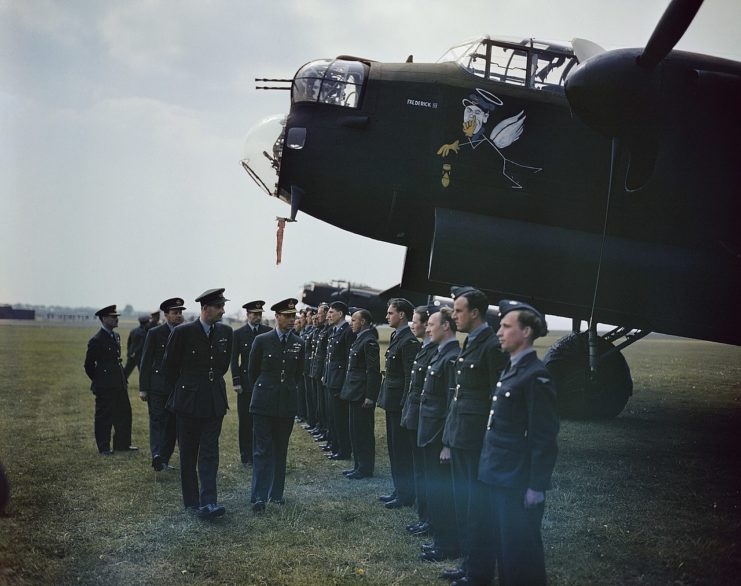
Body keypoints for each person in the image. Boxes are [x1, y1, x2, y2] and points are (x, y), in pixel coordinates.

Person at [477, 300, 559, 586]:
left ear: (525, 332)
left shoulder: (536, 375)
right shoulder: (512, 369)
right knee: (505, 549)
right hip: (499, 473)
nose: (499, 332)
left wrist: (537, 485)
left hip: (516, 478)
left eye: (506, 326)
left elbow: (544, 437)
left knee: (521, 554)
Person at [442, 287, 508, 584]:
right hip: (460, 435)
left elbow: (498, 398)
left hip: (475, 440)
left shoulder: (491, 346)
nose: (454, 315)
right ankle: (469, 565)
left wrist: (490, 443)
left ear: (475, 313)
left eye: (458, 310)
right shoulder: (472, 341)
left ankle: (479, 573)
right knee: (465, 504)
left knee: (478, 508)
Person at [163, 288, 233, 520]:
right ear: (205, 308)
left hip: (214, 401)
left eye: (223, 306)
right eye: (219, 307)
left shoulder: (225, 331)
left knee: (210, 453)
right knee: (189, 453)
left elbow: (223, 366)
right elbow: (169, 367)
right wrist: (188, 387)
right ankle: (191, 502)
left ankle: (209, 502)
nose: (223, 310)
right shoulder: (184, 332)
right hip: (188, 403)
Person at [248, 298, 304, 512]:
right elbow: (252, 372)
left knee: (281, 449)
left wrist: (284, 390)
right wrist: (266, 389)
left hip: (286, 404)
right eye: (287, 316)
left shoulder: (299, 343)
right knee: (262, 450)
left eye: (294, 316)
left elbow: (298, 374)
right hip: (263, 404)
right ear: (277, 317)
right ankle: (259, 496)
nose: (292, 320)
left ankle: (276, 494)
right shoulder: (262, 340)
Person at [417, 307, 461, 562]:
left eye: (432, 324)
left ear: (446, 326)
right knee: (434, 489)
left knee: (442, 492)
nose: (427, 328)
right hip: (429, 433)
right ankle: (439, 537)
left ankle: (446, 545)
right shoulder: (440, 354)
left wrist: (447, 443)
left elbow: (451, 406)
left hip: (438, 437)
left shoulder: (452, 357)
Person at [377, 298, 420, 509]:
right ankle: (398, 489)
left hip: (399, 404)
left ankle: (405, 494)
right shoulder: (397, 336)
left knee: (402, 451)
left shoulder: (409, 341)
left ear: (402, 315)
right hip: (392, 402)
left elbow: (409, 377)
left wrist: (405, 405)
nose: (387, 317)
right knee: (394, 449)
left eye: (390, 313)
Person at [401, 306, 438, 535]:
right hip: (415, 415)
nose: (413, 325)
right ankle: (423, 517)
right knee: (419, 469)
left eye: (416, 322)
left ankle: (429, 519)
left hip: (424, 418)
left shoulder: (433, 351)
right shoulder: (424, 348)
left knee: (426, 471)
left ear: (426, 325)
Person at [139, 297, 186, 471]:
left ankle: (164, 459)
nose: (179, 316)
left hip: (177, 387)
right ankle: (157, 455)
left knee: (172, 425)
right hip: (157, 387)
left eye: (180, 312)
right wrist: (143, 388)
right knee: (158, 421)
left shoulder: (185, 332)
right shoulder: (155, 333)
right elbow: (145, 362)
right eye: (175, 313)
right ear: (166, 315)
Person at [84, 305, 137, 455]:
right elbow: (88, 365)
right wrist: (100, 380)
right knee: (104, 417)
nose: (116, 319)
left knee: (124, 414)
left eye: (117, 316)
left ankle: (122, 444)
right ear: (104, 319)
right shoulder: (96, 340)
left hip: (119, 383)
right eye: (113, 317)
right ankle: (104, 447)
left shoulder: (116, 336)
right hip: (105, 386)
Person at [340, 308, 381, 479]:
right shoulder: (359, 339)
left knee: (363, 432)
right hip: (353, 392)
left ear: (363, 322)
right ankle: (358, 465)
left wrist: (371, 396)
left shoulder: (369, 341)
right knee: (355, 431)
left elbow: (373, 371)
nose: (351, 323)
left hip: (362, 394)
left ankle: (365, 468)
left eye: (354, 320)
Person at [231, 300, 271, 467]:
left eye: (260, 314)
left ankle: (260, 453)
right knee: (246, 421)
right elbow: (234, 360)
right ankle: (246, 456)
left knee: (262, 421)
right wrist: (236, 382)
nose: (257, 317)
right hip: (246, 384)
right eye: (254, 314)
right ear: (247, 315)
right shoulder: (239, 334)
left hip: (263, 383)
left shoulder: (267, 332)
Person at [323, 301, 354, 461]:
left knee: (340, 418)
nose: (328, 315)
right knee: (332, 416)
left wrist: (345, 384)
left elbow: (349, 360)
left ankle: (344, 450)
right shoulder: (334, 331)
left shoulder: (347, 331)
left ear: (340, 314)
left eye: (331, 312)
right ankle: (335, 446)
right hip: (331, 379)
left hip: (339, 381)